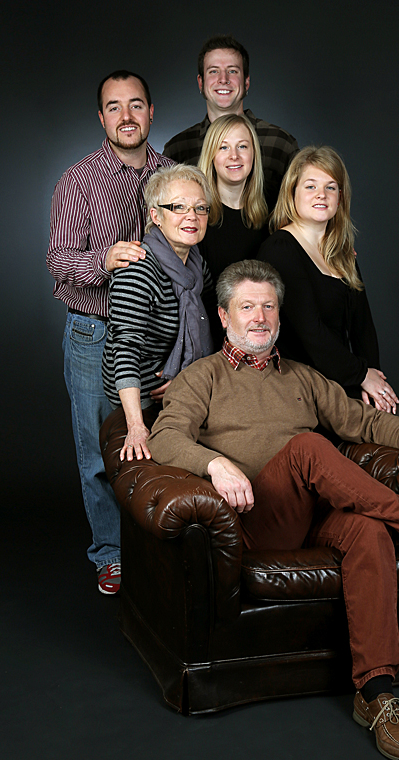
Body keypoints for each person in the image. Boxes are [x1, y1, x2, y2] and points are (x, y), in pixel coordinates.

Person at [146, 259, 399, 760]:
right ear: (224, 316)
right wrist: (215, 464)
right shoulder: (202, 377)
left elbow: (364, 421)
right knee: (308, 447)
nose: (259, 317)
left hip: (312, 514)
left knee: (368, 529)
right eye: (247, 307)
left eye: (268, 307)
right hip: (253, 521)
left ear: (280, 315)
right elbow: (165, 437)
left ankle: (378, 695)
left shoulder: (303, 377)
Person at [47, 70, 174, 595]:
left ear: (151, 112)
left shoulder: (173, 174)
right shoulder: (78, 180)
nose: (127, 116)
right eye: (115, 107)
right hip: (94, 334)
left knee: (161, 443)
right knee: (100, 452)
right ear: (101, 118)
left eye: (136, 104)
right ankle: (111, 553)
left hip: (156, 336)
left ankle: (157, 550)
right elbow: (58, 260)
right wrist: (104, 260)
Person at [258, 145, 399, 429]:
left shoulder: (341, 253)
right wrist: (360, 375)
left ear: (340, 197)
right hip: (304, 384)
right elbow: (310, 332)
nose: (321, 195)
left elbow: (363, 327)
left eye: (331, 187)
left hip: (343, 376)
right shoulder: (280, 249)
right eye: (310, 186)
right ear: (292, 192)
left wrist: (372, 378)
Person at [102, 164, 214, 462]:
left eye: (200, 208)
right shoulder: (138, 269)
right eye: (178, 207)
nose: (192, 216)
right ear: (156, 216)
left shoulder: (196, 264)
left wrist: (187, 382)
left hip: (182, 386)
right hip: (143, 394)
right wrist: (136, 427)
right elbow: (124, 349)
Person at [163, 35, 298, 204]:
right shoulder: (177, 150)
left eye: (232, 71)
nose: (223, 79)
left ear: (246, 82)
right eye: (213, 71)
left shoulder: (281, 144)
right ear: (201, 83)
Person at [197, 114, 269, 346]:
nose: (234, 156)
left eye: (242, 146)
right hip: (210, 344)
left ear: (254, 154)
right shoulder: (197, 219)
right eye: (223, 147)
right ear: (211, 156)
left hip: (260, 340)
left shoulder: (272, 215)